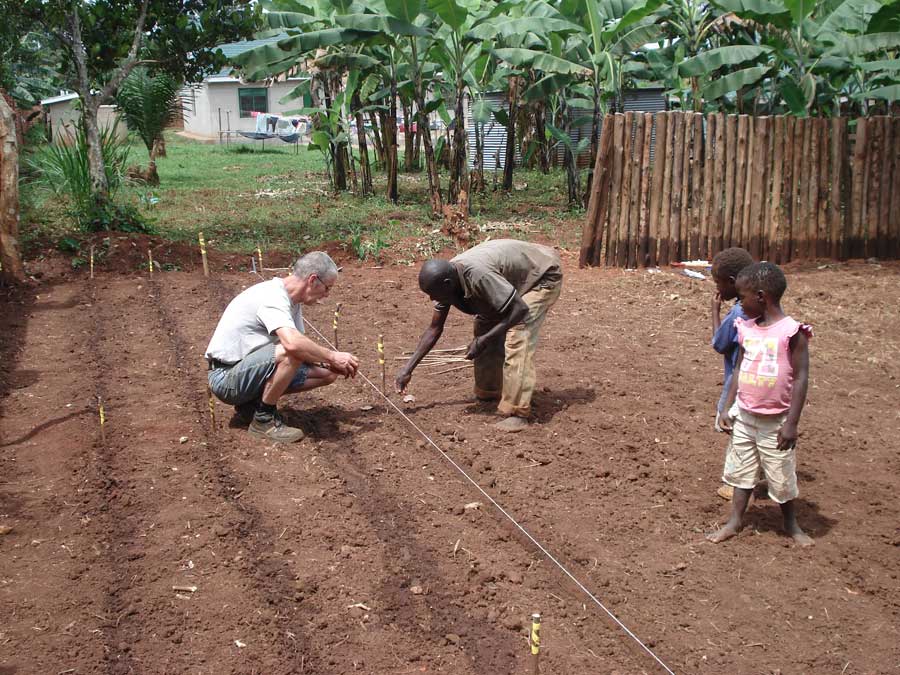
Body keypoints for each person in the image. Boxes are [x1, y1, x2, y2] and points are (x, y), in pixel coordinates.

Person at [396, 239, 562, 432]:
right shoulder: (445, 281)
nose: (433, 299)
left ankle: (517, 412)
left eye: (433, 294)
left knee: (518, 333)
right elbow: (435, 328)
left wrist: (484, 341)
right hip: (512, 278)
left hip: (542, 275)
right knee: (485, 324)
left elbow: (519, 309)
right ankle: (489, 391)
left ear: (448, 284)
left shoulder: (477, 276)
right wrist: (408, 369)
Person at [707, 262, 813, 546]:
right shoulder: (747, 328)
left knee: (780, 475)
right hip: (745, 415)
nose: (739, 303)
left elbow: (801, 378)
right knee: (742, 472)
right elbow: (739, 369)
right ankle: (734, 520)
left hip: (775, 420)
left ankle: (791, 525)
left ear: (761, 297)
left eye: (742, 297)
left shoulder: (792, 333)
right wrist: (727, 407)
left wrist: (792, 423)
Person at [205, 252, 359, 443]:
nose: (327, 294)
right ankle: (263, 420)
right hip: (226, 378)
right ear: (312, 280)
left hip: (245, 372)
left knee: (326, 373)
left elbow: (302, 348)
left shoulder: (292, 302)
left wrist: (329, 364)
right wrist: (332, 356)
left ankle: (251, 406)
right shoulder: (273, 297)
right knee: (290, 351)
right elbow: (293, 344)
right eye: (328, 288)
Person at [710, 247, 754, 501]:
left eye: (717, 282)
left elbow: (720, 344)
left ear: (731, 282)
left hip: (737, 383)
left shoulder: (737, 313)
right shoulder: (760, 307)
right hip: (757, 383)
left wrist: (715, 312)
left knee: (738, 433)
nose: (717, 288)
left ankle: (733, 482)